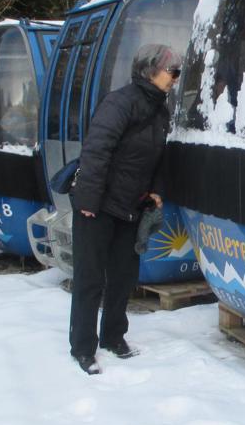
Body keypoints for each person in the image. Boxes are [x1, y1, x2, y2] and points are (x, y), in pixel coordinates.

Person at [68, 43, 182, 375]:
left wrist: (156, 191)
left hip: (131, 207)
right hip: (99, 205)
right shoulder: (119, 103)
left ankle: (113, 337)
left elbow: (159, 157)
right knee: (90, 278)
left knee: (122, 276)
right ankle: (83, 348)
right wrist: (87, 202)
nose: (174, 77)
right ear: (150, 71)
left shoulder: (161, 110)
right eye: (170, 71)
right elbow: (96, 150)